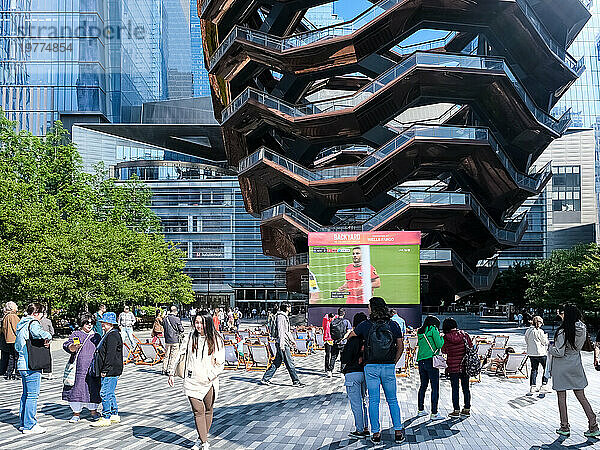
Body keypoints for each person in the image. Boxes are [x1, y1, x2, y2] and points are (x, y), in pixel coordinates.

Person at [347, 297, 405, 444]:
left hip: (370, 366)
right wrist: (393, 362)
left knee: (374, 400)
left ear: (372, 308)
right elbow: (401, 346)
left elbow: (351, 336)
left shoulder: (365, 325)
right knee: (392, 400)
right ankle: (398, 432)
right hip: (388, 366)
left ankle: (376, 434)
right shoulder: (393, 325)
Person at [168, 311, 225, 450]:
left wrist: (210, 375)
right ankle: (205, 442)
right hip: (192, 379)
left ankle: (201, 438)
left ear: (208, 323)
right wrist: (171, 372)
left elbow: (220, 363)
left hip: (209, 381)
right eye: (197, 322)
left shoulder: (216, 339)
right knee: (197, 411)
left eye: (202, 322)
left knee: (208, 410)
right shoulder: (190, 337)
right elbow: (179, 353)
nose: (198, 326)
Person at [548, 305, 599, 438]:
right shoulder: (582, 328)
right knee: (581, 396)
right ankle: (593, 425)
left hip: (561, 367)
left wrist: (550, 347)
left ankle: (564, 426)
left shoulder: (562, 331)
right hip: (575, 364)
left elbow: (559, 352)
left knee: (561, 397)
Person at [15, 302, 53, 434]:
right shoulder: (33, 323)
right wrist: (48, 336)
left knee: (25, 394)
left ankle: (23, 422)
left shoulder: (21, 323)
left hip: (22, 363)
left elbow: (17, 345)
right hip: (31, 364)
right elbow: (39, 333)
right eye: (42, 313)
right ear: (36, 313)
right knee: (32, 395)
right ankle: (30, 425)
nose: (42, 316)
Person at [62, 313, 102, 423]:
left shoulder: (97, 336)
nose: (89, 325)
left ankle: (93, 411)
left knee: (92, 389)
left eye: (91, 323)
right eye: (86, 323)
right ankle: (76, 413)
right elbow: (67, 345)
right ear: (82, 323)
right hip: (78, 368)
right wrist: (73, 347)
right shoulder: (76, 334)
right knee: (77, 389)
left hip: (93, 368)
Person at [90, 312, 124, 427]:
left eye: (104, 323)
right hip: (111, 368)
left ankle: (106, 416)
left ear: (110, 323)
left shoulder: (112, 335)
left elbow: (110, 354)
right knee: (110, 393)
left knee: (105, 393)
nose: (102, 325)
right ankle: (114, 414)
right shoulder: (109, 334)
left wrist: (105, 369)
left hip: (111, 369)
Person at [260, 303, 304, 387]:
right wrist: (282, 345)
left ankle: (265, 379)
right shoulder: (281, 317)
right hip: (282, 343)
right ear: (287, 308)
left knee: (277, 362)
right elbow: (281, 331)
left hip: (283, 342)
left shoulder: (284, 316)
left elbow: (287, 331)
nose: (291, 308)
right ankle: (296, 381)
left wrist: (292, 340)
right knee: (289, 363)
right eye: (289, 306)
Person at [341, 312, 369, 438]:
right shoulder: (368, 339)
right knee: (364, 401)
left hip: (352, 373)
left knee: (356, 403)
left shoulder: (352, 339)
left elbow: (344, 358)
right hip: (366, 373)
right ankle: (366, 427)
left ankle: (359, 430)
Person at [441, 317, 472, 418]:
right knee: (466, 388)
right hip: (465, 365)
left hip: (453, 366)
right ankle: (467, 409)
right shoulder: (465, 335)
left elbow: (444, 351)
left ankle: (456, 410)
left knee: (455, 389)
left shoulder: (446, 338)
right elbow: (470, 347)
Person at [416, 315, 444, 420]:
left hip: (421, 361)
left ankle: (420, 410)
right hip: (431, 361)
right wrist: (441, 337)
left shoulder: (420, 331)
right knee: (434, 387)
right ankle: (434, 413)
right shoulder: (433, 329)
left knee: (423, 386)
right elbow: (439, 345)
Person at [525, 316, 550, 395]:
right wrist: (546, 338)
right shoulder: (540, 331)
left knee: (534, 369)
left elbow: (526, 340)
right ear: (539, 323)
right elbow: (545, 342)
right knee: (546, 368)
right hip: (541, 353)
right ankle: (544, 384)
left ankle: (533, 386)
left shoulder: (528, 331)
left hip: (531, 353)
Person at [327, 308, 352, 377]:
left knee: (333, 357)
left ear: (338, 313)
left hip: (335, 342)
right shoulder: (346, 321)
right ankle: (342, 372)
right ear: (344, 313)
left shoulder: (333, 321)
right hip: (343, 342)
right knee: (343, 357)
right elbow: (349, 331)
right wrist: (343, 338)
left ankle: (330, 371)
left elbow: (330, 332)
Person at [163, 306, 185, 375]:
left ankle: (164, 369)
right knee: (173, 355)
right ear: (175, 311)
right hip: (175, 339)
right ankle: (170, 369)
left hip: (167, 339)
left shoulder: (165, 319)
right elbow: (181, 329)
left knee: (166, 355)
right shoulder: (176, 319)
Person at [2, 301, 19, 380]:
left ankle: (9, 373)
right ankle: (17, 373)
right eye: (16, 306)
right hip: (14, 339)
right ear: (12, 308)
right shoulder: (13, 316)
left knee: (11, 357)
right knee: (17, 357)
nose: (17, 307)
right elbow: (16, 328)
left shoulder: (5, 316)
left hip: (8, 340)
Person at [39, 312, 54, 379]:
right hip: (46, 340)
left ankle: (39, 371)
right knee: (47, 357)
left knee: (38, 356)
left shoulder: (35, 321)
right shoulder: (48, 321)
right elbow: (52, 331)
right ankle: (49, 372)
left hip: (38, 340)